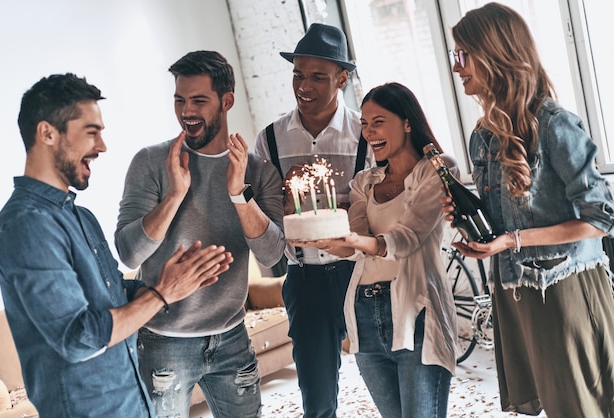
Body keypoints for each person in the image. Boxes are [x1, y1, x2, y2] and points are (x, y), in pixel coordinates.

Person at [0, 73, 233, 418]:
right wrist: (162, 293)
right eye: (91, 132)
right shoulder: (25, 224)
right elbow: (78, 338)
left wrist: (178, 281)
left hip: (131, 403)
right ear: (47, 133)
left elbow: (107, 295)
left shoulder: (81, 216)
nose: (102, 146)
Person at [442, 3, 614, 417]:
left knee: (582, 408)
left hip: (564, 291)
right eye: (454, 56)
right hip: (515, 292)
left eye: (462, 56)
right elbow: (501, 220)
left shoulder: (556, 124)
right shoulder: (481, 137)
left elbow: (600, 218)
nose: (456, 67)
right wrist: (470, 224)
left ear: (494, 54)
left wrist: (514, 239)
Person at [114, 50, 285, 418]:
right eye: (179, 99)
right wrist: (175, 194)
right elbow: (129, 254)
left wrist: (239, 194)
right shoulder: (150, 162)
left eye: (198, 100)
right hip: (164, 341)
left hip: (232, 338)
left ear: (227, 101)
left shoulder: (259, 171)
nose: (186, 111)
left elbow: (273, 256)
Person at [293, 82, 458, 417]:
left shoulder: (438, 170)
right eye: (364, 124)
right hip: (364, 312)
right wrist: (326, 241)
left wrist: (354, 242)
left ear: (407, 122)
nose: (369, 132)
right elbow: (354, 243)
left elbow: (406, 238)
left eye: (378, 121)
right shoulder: (363, 182)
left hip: (417, 310)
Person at [253, 23, 374, 417]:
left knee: (385, 381)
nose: (304, 86)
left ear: (342, 78)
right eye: (298, 75)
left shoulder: (365, 135)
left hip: (360, 276)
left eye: (318, 77)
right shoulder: (270, 139)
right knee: (317, 398)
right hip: (303, 280)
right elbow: (268, 219)